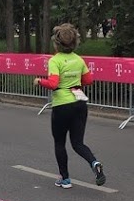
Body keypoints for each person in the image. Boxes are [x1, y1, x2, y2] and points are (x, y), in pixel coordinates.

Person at [33, 23, 106, 189]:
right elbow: (89, 80)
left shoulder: (55, 60)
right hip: (79, 104)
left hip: (62, 105)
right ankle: (94, 163)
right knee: (78, 143)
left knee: (60, 143)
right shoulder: (78, 59)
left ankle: (65, 179)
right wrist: (74, 81)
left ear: (56, 43)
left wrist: (39, 81)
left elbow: (53, 83)